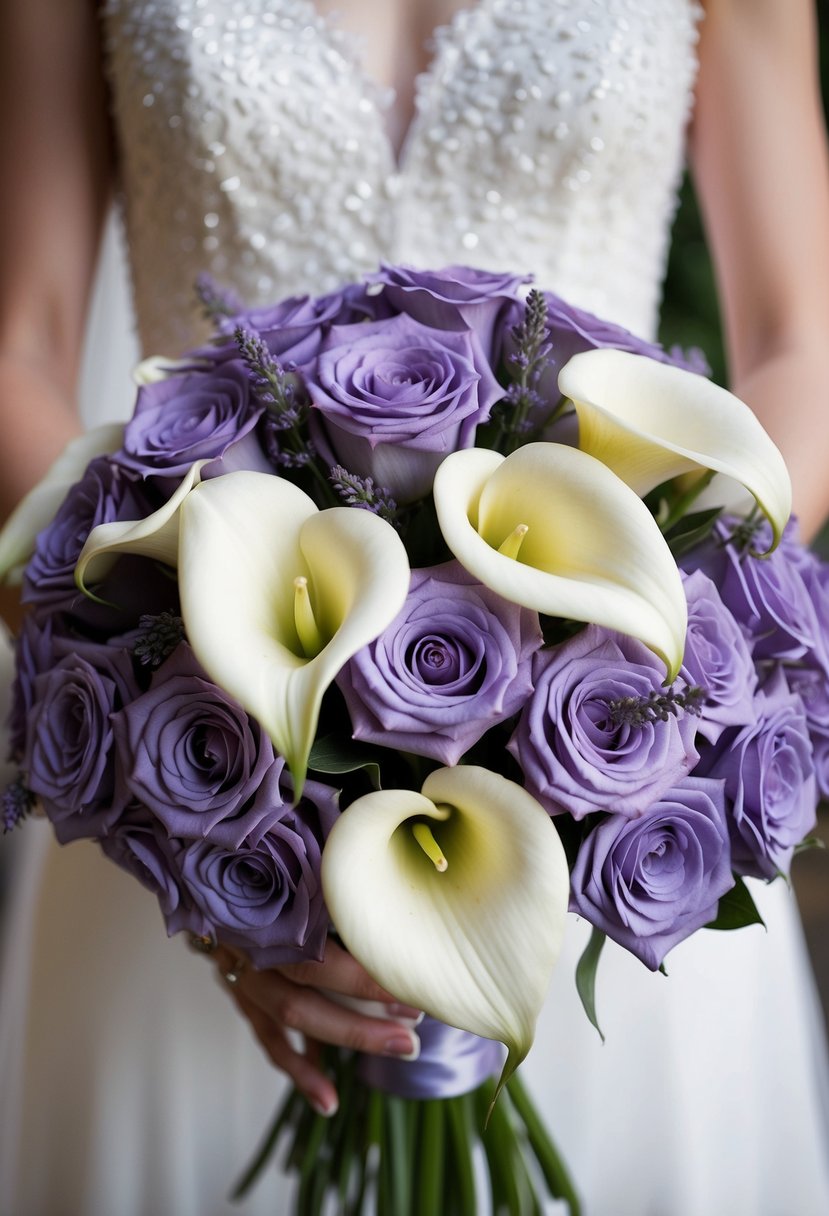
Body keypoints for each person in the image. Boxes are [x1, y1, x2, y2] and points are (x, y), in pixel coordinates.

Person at [1, 1, 829, 1213]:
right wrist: (210, 836)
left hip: (615, 785)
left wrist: (657, 658)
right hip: (202, 775)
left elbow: (797, 334)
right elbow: (22, 338)